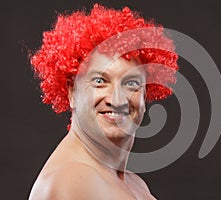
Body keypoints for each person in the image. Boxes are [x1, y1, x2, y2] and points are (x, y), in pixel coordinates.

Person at [29, 4, 178, 200]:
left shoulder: (130, 182)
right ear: (72, 91)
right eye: (100, 81)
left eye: (131, 83)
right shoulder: (74, 182)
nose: (117, 99)